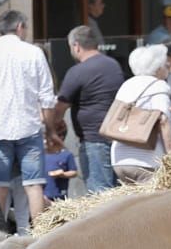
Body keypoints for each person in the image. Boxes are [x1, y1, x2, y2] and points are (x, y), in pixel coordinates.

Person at [0, 10, 56, 228]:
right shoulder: (33, 53)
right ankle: (40, 235)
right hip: (29, 128)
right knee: (34, 185)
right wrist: (50, 131)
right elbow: (47, 98)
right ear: (20, 27)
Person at [52, 25, 124, 194]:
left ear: (76, 46)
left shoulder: (78, 71)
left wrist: (55, 125)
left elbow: (61, 106)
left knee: (98, 194)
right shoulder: (113, 65)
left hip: (94, 140)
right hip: (116, 136)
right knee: (116, 193)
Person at [107, 44, 171, 188]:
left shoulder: (127, 84)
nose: (168, 66)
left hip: (119, 159)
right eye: (165, 64)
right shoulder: (159, 86)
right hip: (146, 160)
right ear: (158, 68)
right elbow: (163, 121)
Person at [42, 133, 79, 202]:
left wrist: (63, 174)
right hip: (44, 194)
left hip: (60, 193)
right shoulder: (41, 155)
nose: (45, 142)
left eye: (47, 140)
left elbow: (74, 172)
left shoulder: (67, 155)